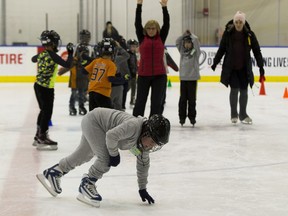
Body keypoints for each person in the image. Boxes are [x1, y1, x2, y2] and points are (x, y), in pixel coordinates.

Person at [36, 107, 171, 207]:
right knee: (105, 159)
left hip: (98, 126)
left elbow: (143, 165)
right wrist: (114, 154)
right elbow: (111, 135)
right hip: (94, 122)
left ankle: (55, 172)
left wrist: (142, 188)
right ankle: (88, 182)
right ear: (146, 132)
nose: (152, 146)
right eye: (153, 142)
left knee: (84, 154)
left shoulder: (143, 145)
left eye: (156, 144)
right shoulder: (133, 127)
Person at [211, 11, 265, 124]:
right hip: (232, 68)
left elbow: (257, 51)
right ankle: (234, 114)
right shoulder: (228, 34)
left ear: (243, 22)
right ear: (234, 22)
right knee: (234, 89)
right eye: (236, 22)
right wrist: (215, 62)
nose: (238, 24)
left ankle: (243, 114)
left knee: (244, 91)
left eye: (240, 22)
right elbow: (221, 50)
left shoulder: (250, 35)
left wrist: (261, 67)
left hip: (244, 68)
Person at [32, 30, 73, 150]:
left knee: (43, 111)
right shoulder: (52, 55)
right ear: (54, 43)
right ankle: (42, 136)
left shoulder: (43, 53)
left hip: (38, 85)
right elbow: (67, 65)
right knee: (47, 112)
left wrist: (40, 57)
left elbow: (33, 59)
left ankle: (38, 135)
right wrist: (70, 53)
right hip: (46, 88)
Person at [133, 0, 170, 118]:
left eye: (153, 28)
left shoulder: (161, 37)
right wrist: (139, 5)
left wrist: (164, 8)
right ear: (145, 29)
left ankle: (154, 126)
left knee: (157, 104)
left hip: (160, 76)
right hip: (144, 75)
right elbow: (137, 23)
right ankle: (136, 125)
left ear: (157, 29)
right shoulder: (142, 38)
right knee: (140, 102)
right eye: (148, 28)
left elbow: (167, 23)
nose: (151, 30)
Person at [58, 30, 93, 116]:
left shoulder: (90, 48)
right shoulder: (77, 47)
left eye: (87, 37)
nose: (85, 39)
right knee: (74, 93)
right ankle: (72, 107)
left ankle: (81, 106)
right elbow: (71, 62)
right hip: (75, 76)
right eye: (83, 37)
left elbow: (91, 61)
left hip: (84, 75)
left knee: (82, 92)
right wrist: (63, 70)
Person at [83, 38, 120, 111]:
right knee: (107, 115)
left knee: (93, 116)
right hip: (103, 93)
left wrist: (83, 64)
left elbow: (84, 71)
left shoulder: (95, 61)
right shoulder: (111, 64)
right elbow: (111, 78)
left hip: (92, 92)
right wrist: (123, 79)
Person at [176, 30, 201, 126]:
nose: (187, 45)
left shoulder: (196, 53)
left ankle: (192, 117)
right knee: (182, 99)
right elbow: (177, 41)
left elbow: (197, 42)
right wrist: (183, 35)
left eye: (189, 43)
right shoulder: (182, 52)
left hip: (192, 79)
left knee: (192, 99)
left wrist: (191, 35)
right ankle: (182, 117)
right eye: (186, 43)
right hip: (183, 79)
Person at [110, 41, 130, 110]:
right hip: (115, 83)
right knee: (117, 105)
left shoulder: (115, 59)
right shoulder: (116, 59)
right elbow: (127, 55)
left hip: (114, 83)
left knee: (112, 105)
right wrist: (119, 47)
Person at [126, 39, 139, 106]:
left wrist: (136, 69)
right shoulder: (127, 55)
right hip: (129, 74)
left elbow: (134, 63)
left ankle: (132, 99)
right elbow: (127, 65)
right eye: (132, 46)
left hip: (133, 74)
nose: (133, 48)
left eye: (134, 46)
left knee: (134, 88)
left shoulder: (134, 54)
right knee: (127, 88)